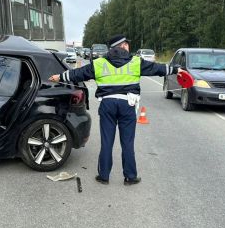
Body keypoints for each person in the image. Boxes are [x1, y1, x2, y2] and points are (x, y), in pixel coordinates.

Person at [49, 34, 182, 185]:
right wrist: (176, 70)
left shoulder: (99, 63)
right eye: (127, 44)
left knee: (107, 141)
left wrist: (59, 77)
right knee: (127, 143)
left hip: (107, 105)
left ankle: (104, 176)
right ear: (123, 46)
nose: (128, 46)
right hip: (128, 105)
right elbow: (157, 69)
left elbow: (78, 73)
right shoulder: (135, 62)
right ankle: (130, 177)